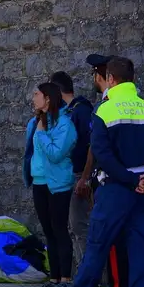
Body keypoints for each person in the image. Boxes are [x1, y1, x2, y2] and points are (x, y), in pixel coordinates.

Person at [50, 57, 144, 287]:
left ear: (111, 79)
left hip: (116, 188)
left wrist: (128, 179)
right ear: (133, 79)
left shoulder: (105, 111)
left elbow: (102, 154)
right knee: (139, 246)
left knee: (97, 243)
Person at [83, 53, 131, 287]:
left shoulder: (107, 106)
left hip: (112, 181)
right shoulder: (128, 103)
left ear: (102, 77)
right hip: (127, 180)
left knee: (111, 241)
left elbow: (99, 148)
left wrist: (88, 178)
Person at [22, 82, 78, 287]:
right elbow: (30, 152)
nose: (33, 98)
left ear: (47, 98)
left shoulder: (64, 124)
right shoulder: (35, 122)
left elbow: (56, 154)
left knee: (60, 230)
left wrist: (43, 134)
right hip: (39, 182)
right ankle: (54, 278)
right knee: (48, 231)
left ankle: (65, 278)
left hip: (58, 183)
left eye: (36, 94)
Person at [50, 71, 93, 275]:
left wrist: (84, 178)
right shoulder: (68, 112)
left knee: (79, 227)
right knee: (71, 228)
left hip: (79, 177)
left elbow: (91, 147)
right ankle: (82, 274)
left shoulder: (81, 112)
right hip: (68, 177)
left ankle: (89, 278)